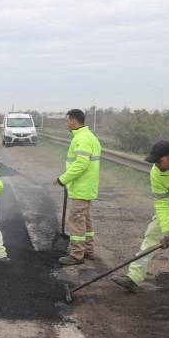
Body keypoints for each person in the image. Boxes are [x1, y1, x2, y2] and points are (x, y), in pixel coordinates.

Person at [112, 141, 169, 305]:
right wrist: (167, 231)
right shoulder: (156, 173)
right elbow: (162, 203)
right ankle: (133, 278)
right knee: (153, 235)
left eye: (159, 161)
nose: (156, 165)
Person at [56, 109, 102, 265]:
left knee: (76, 220)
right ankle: (88, 251)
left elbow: (81, 163)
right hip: (88, 187)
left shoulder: (82, 138)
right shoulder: (90, 137)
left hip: (81, 187)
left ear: (74, 121)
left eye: (67, 120)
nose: (66, 123)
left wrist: (63, 179)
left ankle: (76, 255)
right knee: (86, 221)